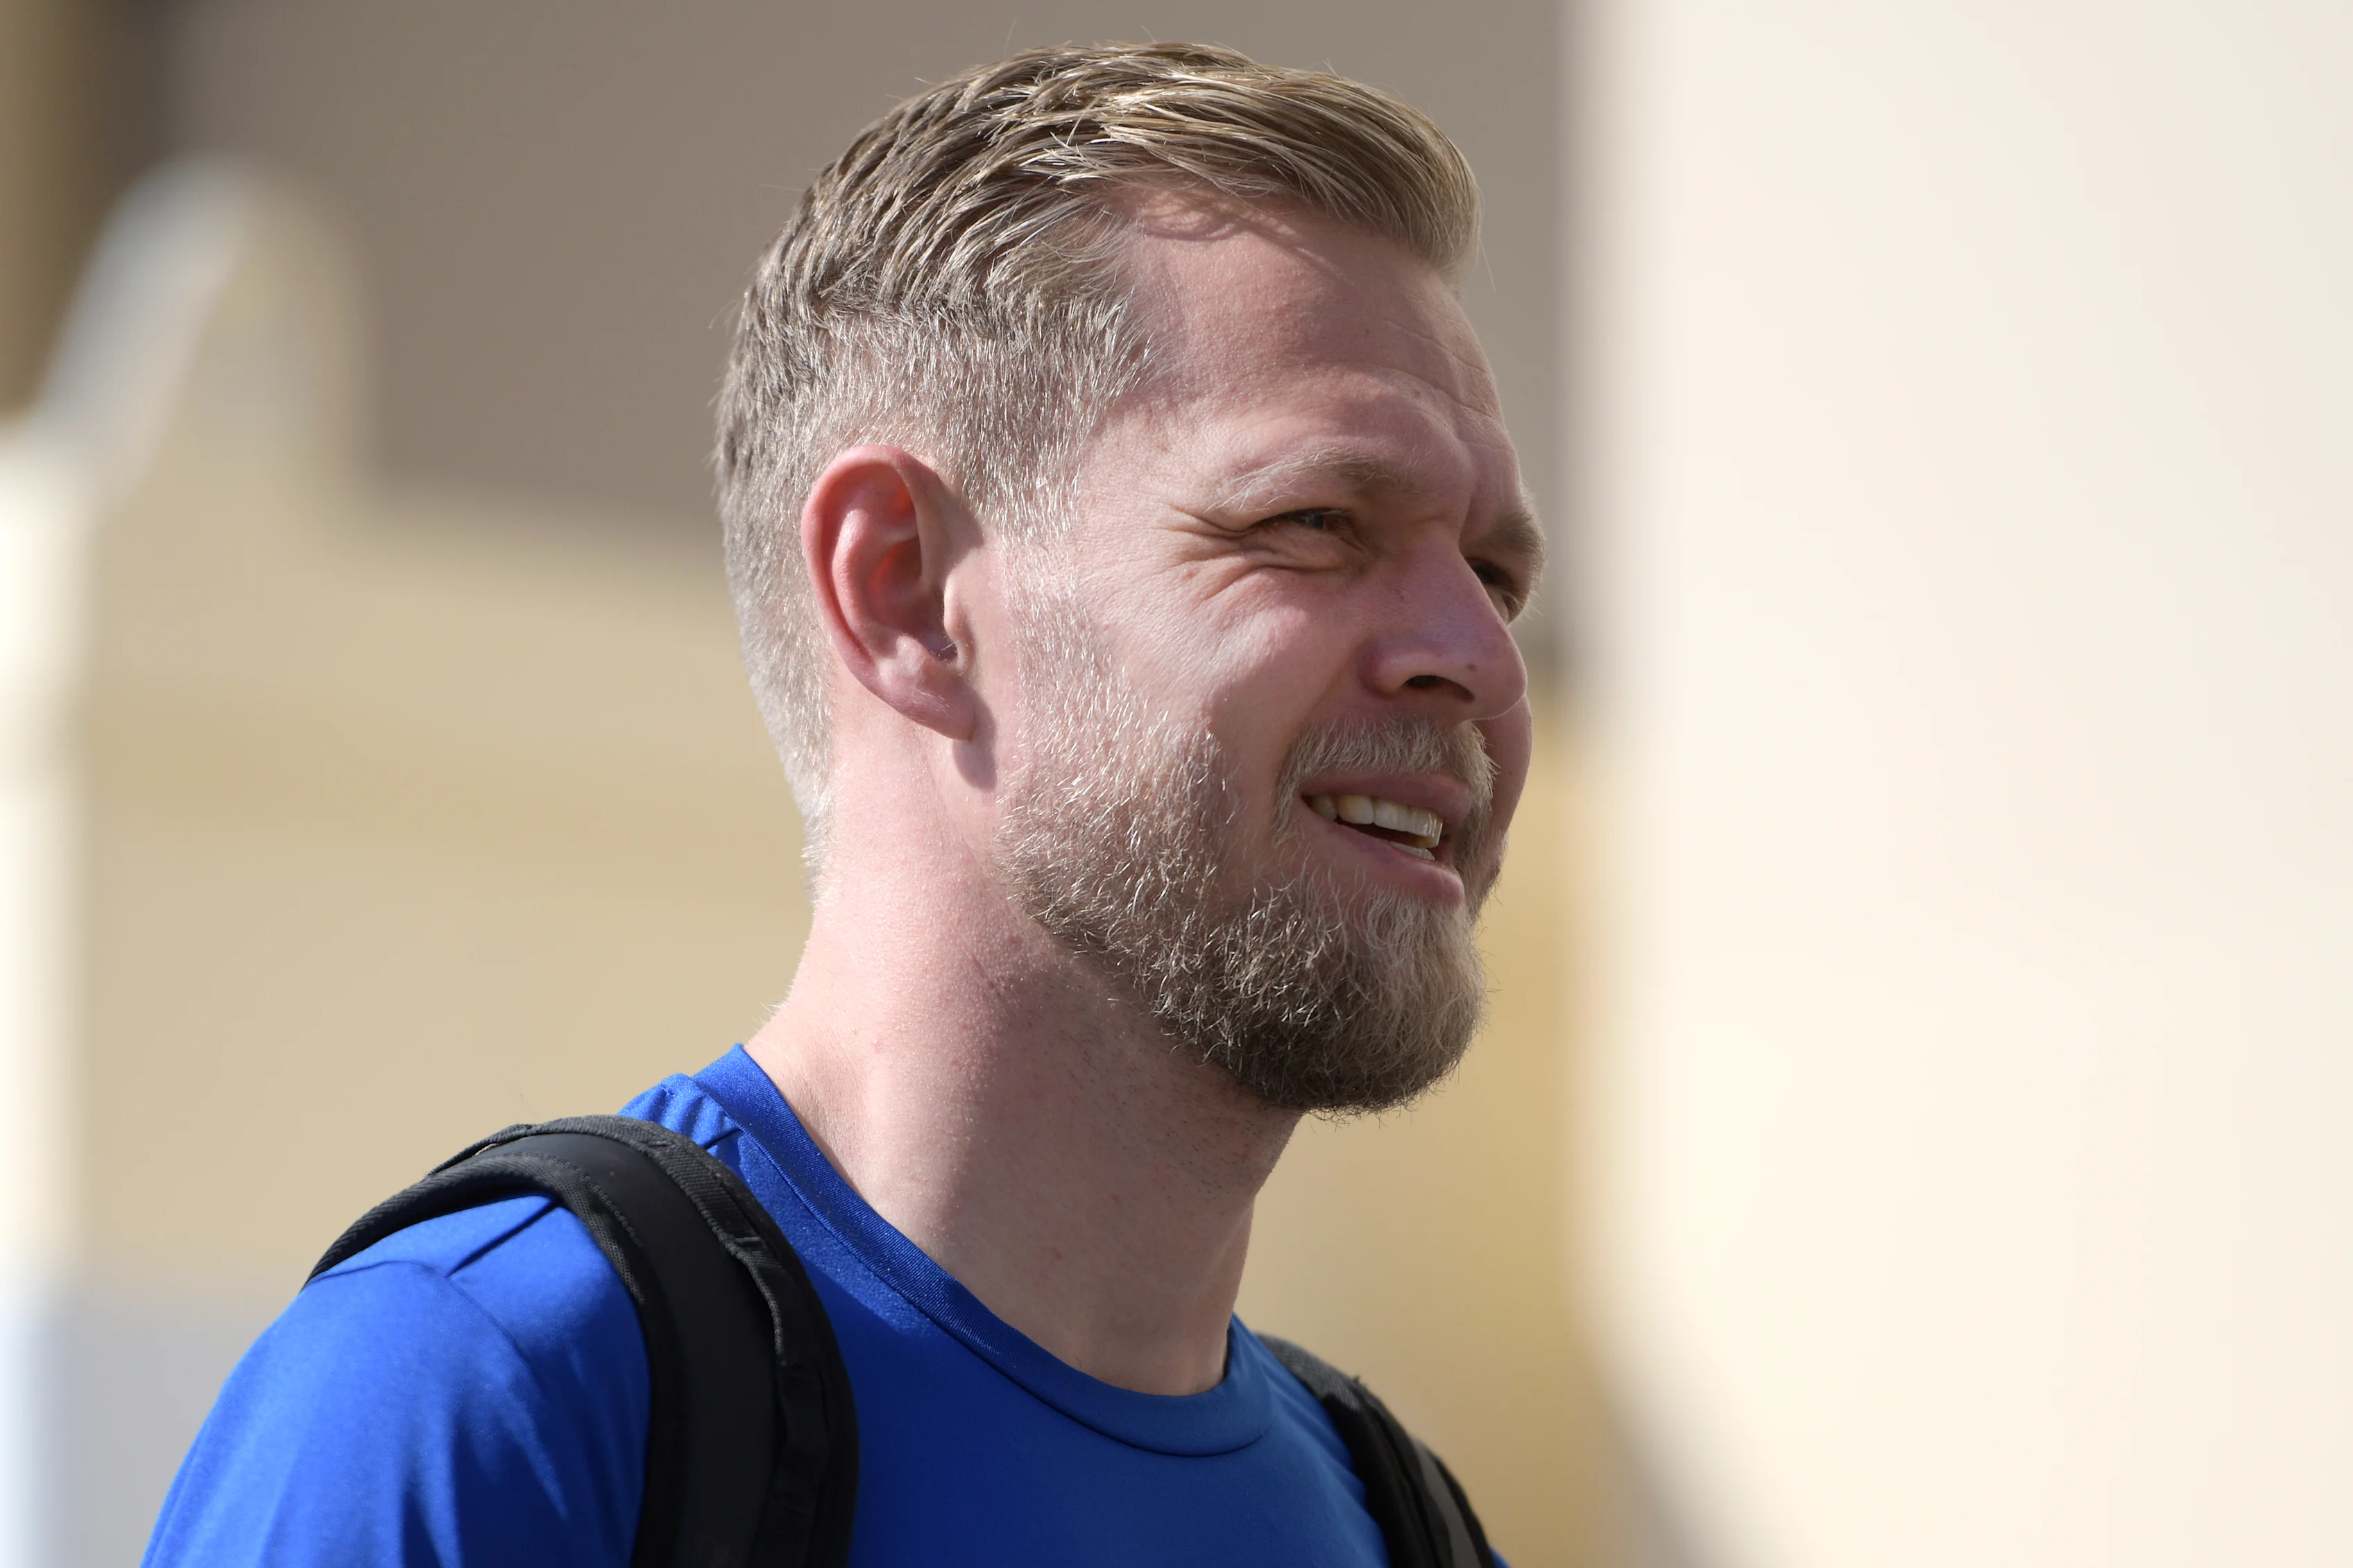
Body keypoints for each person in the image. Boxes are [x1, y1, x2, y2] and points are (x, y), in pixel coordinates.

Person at [143, 41, 1543, 1567]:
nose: (1475, 655)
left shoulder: (1398, 1522)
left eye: (1495, 572)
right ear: (905, 593)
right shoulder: (496, 1393)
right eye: (1316, 522)